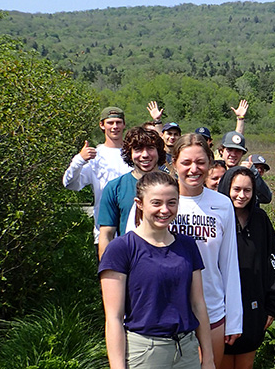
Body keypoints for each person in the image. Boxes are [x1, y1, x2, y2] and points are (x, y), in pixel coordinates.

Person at [126, 133, 242, 368]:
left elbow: (229, 263)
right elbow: (131, 259)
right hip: (160, 314)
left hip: (210, 311)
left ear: (210, 163)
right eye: (186, 162)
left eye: (201, 162)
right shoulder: (155, 201)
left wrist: (234, 319)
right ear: (173, 163)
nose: (194, 169)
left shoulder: (222, 204)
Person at [99, 171, 215, 369]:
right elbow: (114, 318)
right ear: (140, 203)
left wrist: (209, 358)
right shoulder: (121, 249)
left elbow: (198, 305)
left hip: (186, 352)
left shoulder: (187, 245)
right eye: (156, 203)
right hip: (145, 353)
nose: (165, 210)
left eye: (172, 202)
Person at [217, 167, 275, 369]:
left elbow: (273, 261)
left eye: (247, 190)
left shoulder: (260, 219)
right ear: (226, 188)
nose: (241, 195)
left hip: (253, 309)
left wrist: (273, 306)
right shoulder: (217, 218)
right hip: (220, 310)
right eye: (236, 189)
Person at [63, 106, 132, 256]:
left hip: (136, 234)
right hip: (105, 235)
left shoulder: (135, 154)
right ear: (102, 125)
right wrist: (79, 160)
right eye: (110, 122)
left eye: (118, 122)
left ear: (124, 124)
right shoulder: (95, 156)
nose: (115, 127)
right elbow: (70, 184)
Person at [97, 126, 167, 260]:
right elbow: (106, 234)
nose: (145, 154)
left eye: (150, 148)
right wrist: (108, 273)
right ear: (129, 153)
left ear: (159, 152)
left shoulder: (174, 187)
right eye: (138, 149)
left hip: (170, 262)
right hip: (130, 263)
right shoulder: (115, 188)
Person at [219, 131, 272, 204]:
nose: (233, 154)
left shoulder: (246, 174)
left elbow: (266, 198)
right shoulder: (213, 171)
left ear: (242, 154)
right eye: (230, 149)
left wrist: (254, 173)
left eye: (238, 151)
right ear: (221, 151)